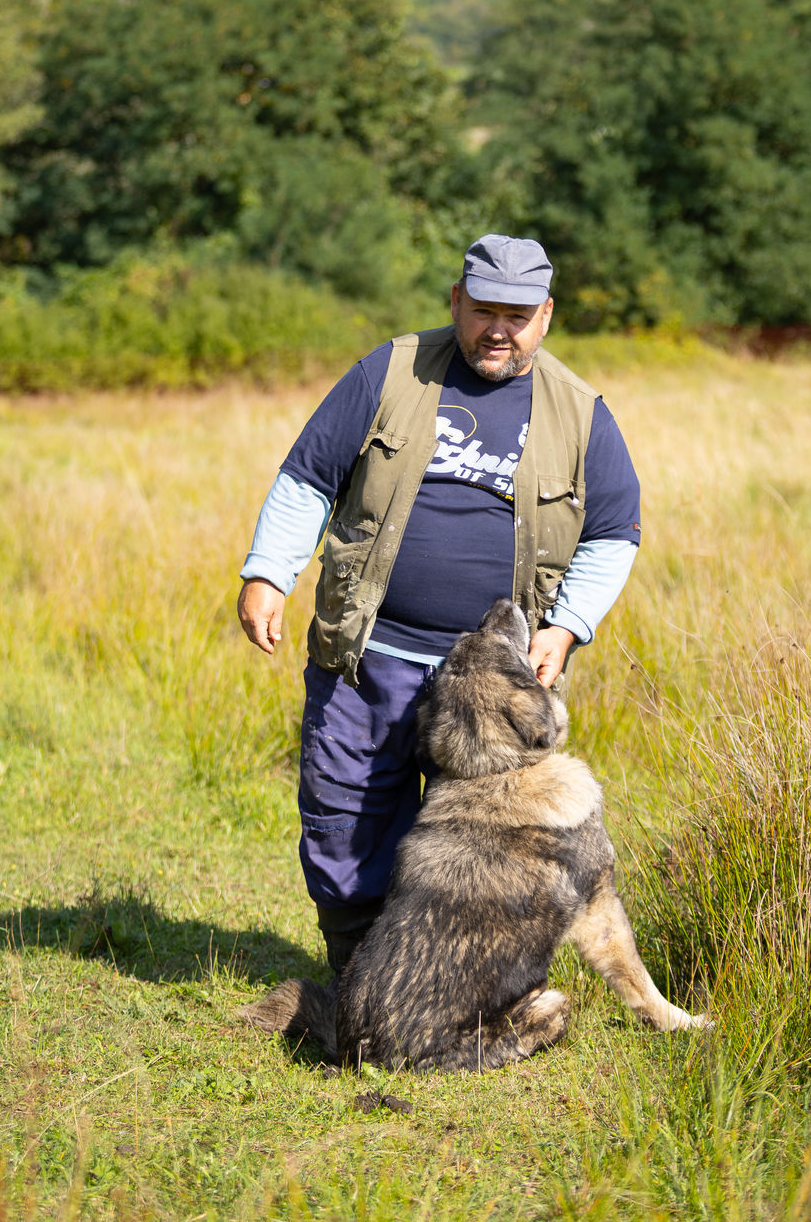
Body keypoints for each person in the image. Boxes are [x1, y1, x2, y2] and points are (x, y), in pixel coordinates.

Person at [237, 234, 641, 974]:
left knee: (493, 844)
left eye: (518, 316)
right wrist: (269, 571)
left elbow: (615, 533)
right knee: (346, 812)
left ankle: (468, 979)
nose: (499, 330)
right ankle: (360, 975)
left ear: (546, 316)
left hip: (498, 687)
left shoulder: (581, 413)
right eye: (484, 310)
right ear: (456, 302)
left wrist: (567, 626)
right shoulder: (389, 371)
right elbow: (308, 476)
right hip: (373, 654)